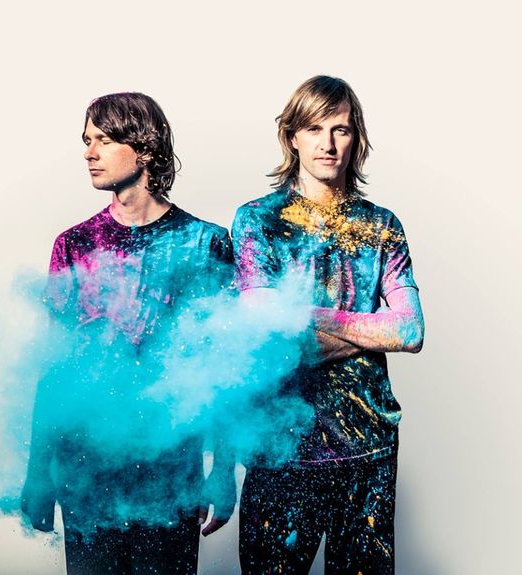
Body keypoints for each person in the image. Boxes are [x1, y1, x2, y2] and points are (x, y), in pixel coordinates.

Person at [21, 92, 235, 575]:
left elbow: (225, 371)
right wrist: (38, 474)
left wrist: (223, 472)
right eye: (87, 140)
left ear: (144, 148)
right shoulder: (74, 245)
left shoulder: (206, 244)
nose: (88, 152)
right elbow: (54, 368)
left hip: (171, 472)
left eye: (103, 139)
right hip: (85, 473)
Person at [232, 76, 424, 574]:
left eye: (340, 129)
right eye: (314, 128)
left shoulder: (382, 225)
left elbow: (410, 331)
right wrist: (371, 331)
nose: (328, 143)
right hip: (282, 449)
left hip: (368, 447)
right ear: (292, 136)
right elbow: (273, 340)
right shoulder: (258, 221)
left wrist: (303, 315)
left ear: (356, 138)